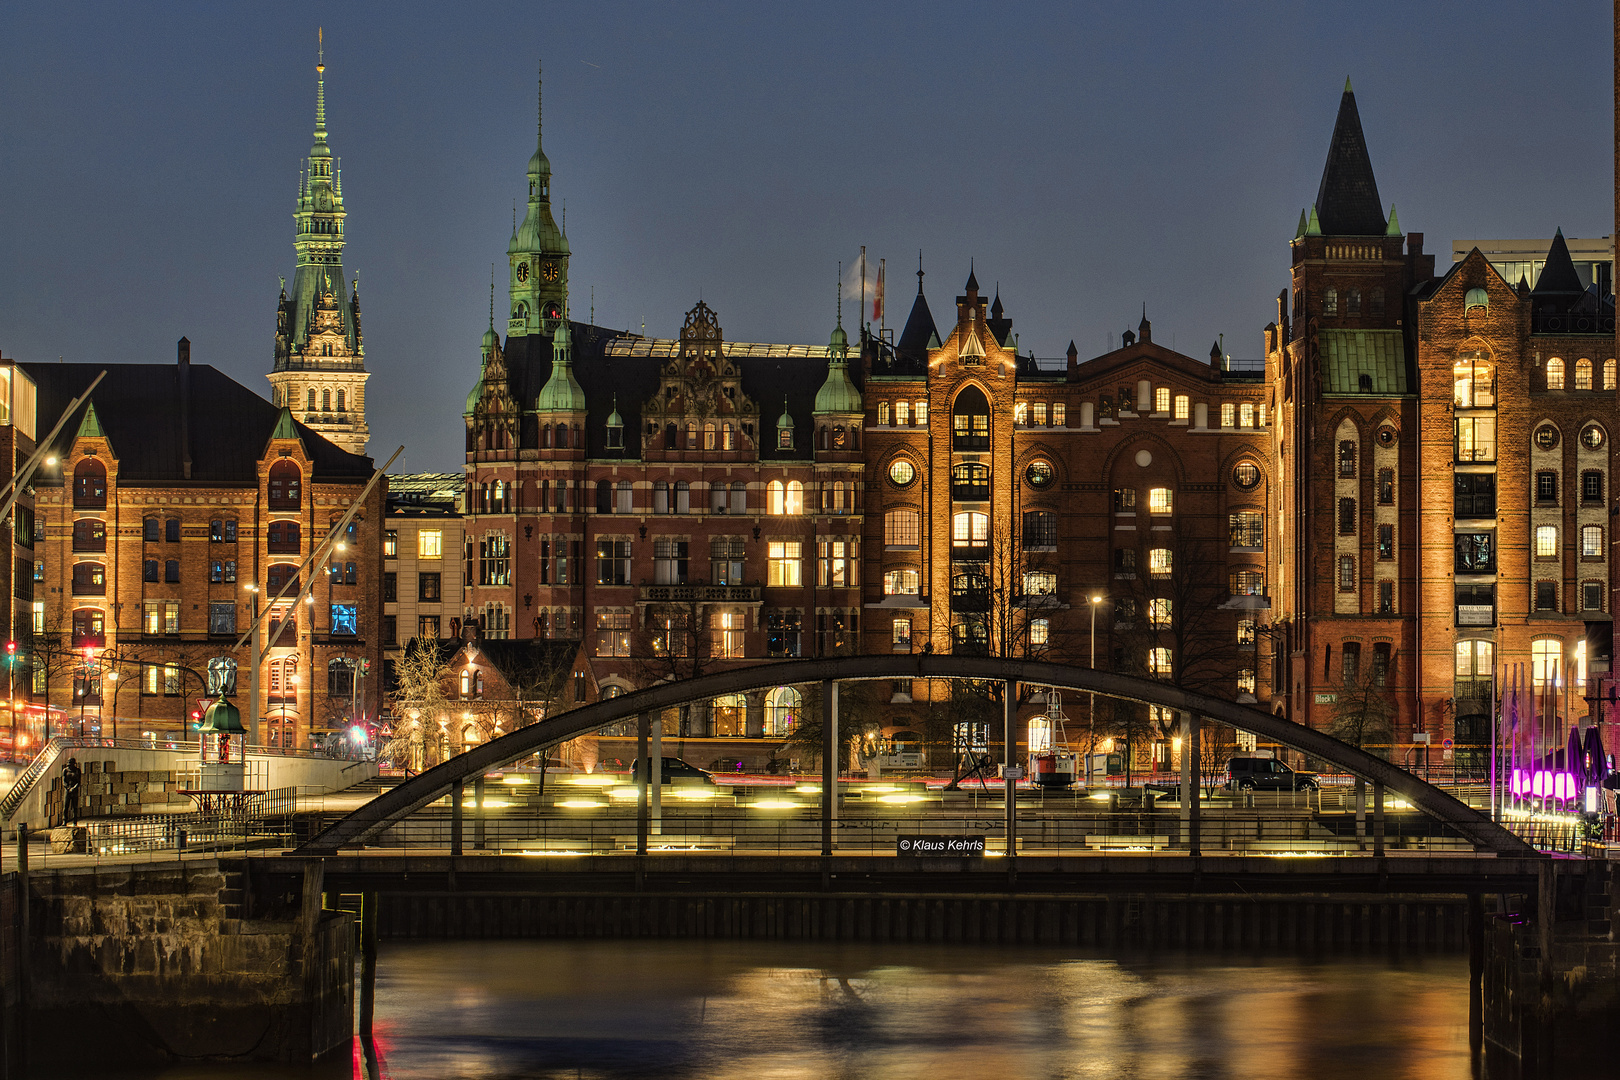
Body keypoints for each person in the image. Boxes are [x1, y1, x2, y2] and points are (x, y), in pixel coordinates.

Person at [62, 756, 82, 825]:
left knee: (74, 807)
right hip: (67, 790)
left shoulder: (77, 771)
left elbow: (79, 781)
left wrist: (74, 788)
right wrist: (68, 788)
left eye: (71, 763)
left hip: (75, 790)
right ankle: (64, 821)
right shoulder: (65, 770)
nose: (69, 765)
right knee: (66, 806)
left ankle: (75, 821)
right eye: (69, 763)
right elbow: (64, 781)